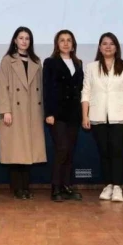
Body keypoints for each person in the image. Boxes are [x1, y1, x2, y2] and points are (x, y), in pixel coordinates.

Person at [82, 32, 123, 203]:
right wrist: (85, 115)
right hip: (97, 116)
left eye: (111, 43)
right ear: (99, 47)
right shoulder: (91, 67)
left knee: (116, 151)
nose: (108, 46)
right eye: (104, 43)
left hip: (119, 116)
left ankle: (118, 187)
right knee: (104, 152)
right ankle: (108, 185)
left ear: (116, 47)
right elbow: (86, 92)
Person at [0, 26, 47, 199]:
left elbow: (40, 89)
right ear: (15, 40)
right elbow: (2, 87)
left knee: (28, 152)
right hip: (14, 111)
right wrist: (5, 111)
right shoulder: (7, 60)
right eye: (21, 38)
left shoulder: (36, 61)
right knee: (16, 151)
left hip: (32, 111)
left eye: (27, 38)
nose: (24, 41)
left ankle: (25, 187)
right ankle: (17, 188)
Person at [43, 30, 84, 202]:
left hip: (74, 114)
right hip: (57, 114)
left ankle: (67, 186)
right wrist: (49, 113)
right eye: (62, 40)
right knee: (62, 149)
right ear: (57, 44)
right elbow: (46, 88)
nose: (66, 43)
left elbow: (80, 89)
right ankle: (55, 187)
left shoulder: (78, 63)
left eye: (69, 40)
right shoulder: (50, 62)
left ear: (73, 44)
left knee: (70, 151)